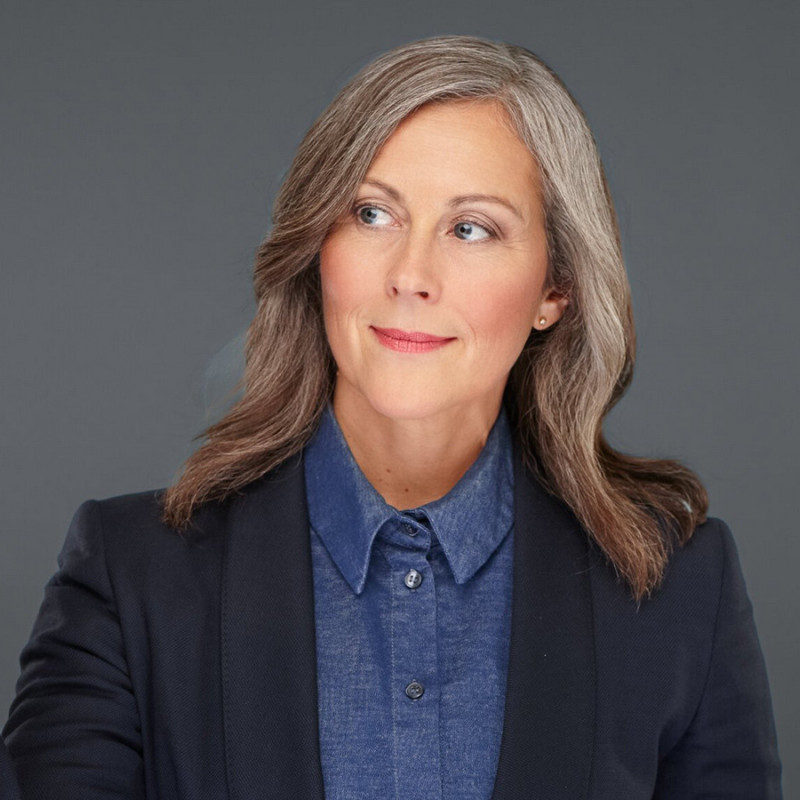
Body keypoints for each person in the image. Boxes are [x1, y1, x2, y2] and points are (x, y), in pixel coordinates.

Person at [2, 35, 782, 800]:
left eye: (471, 228)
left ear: (556, 290)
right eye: (373, 214)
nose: (411, 274)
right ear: (318, 246)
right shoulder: (128, 577)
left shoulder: (682, 590)